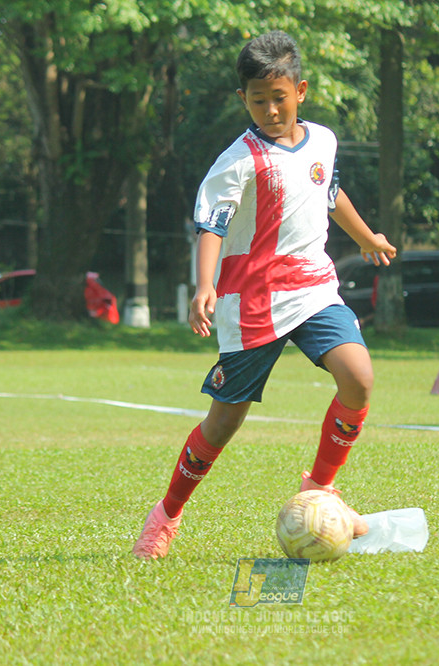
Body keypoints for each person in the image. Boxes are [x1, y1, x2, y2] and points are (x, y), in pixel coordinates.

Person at [132, 31, 397, 560]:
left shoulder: (323, 141)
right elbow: (212, 225)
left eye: (279, 98)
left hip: (314, 287)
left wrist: (366, 236)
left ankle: (320, 489)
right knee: (223, 423)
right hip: (252, 301)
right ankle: (166, 516)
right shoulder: (237, 161)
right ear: (243, 99)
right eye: (258, 101)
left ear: (301, 90)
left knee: (359, 379)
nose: (271, 110)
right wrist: (204, 285)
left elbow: (328, 191)